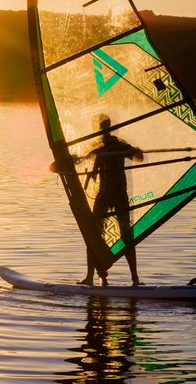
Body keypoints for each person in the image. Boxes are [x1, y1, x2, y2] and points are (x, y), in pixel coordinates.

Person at [79, 114, 144, 287]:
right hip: (103, 195)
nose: (104, 130)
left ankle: (135, 279)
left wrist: (135, 151)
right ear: (98, 129)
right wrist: (75, 159)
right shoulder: (96, 146)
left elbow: (139, 158)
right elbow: (85, 161)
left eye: (106, 126)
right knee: (93, 234)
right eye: (101, 127)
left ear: (110, 128)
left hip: (119, 194)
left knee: (126, 235)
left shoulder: (119, 144)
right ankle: (94, 277)